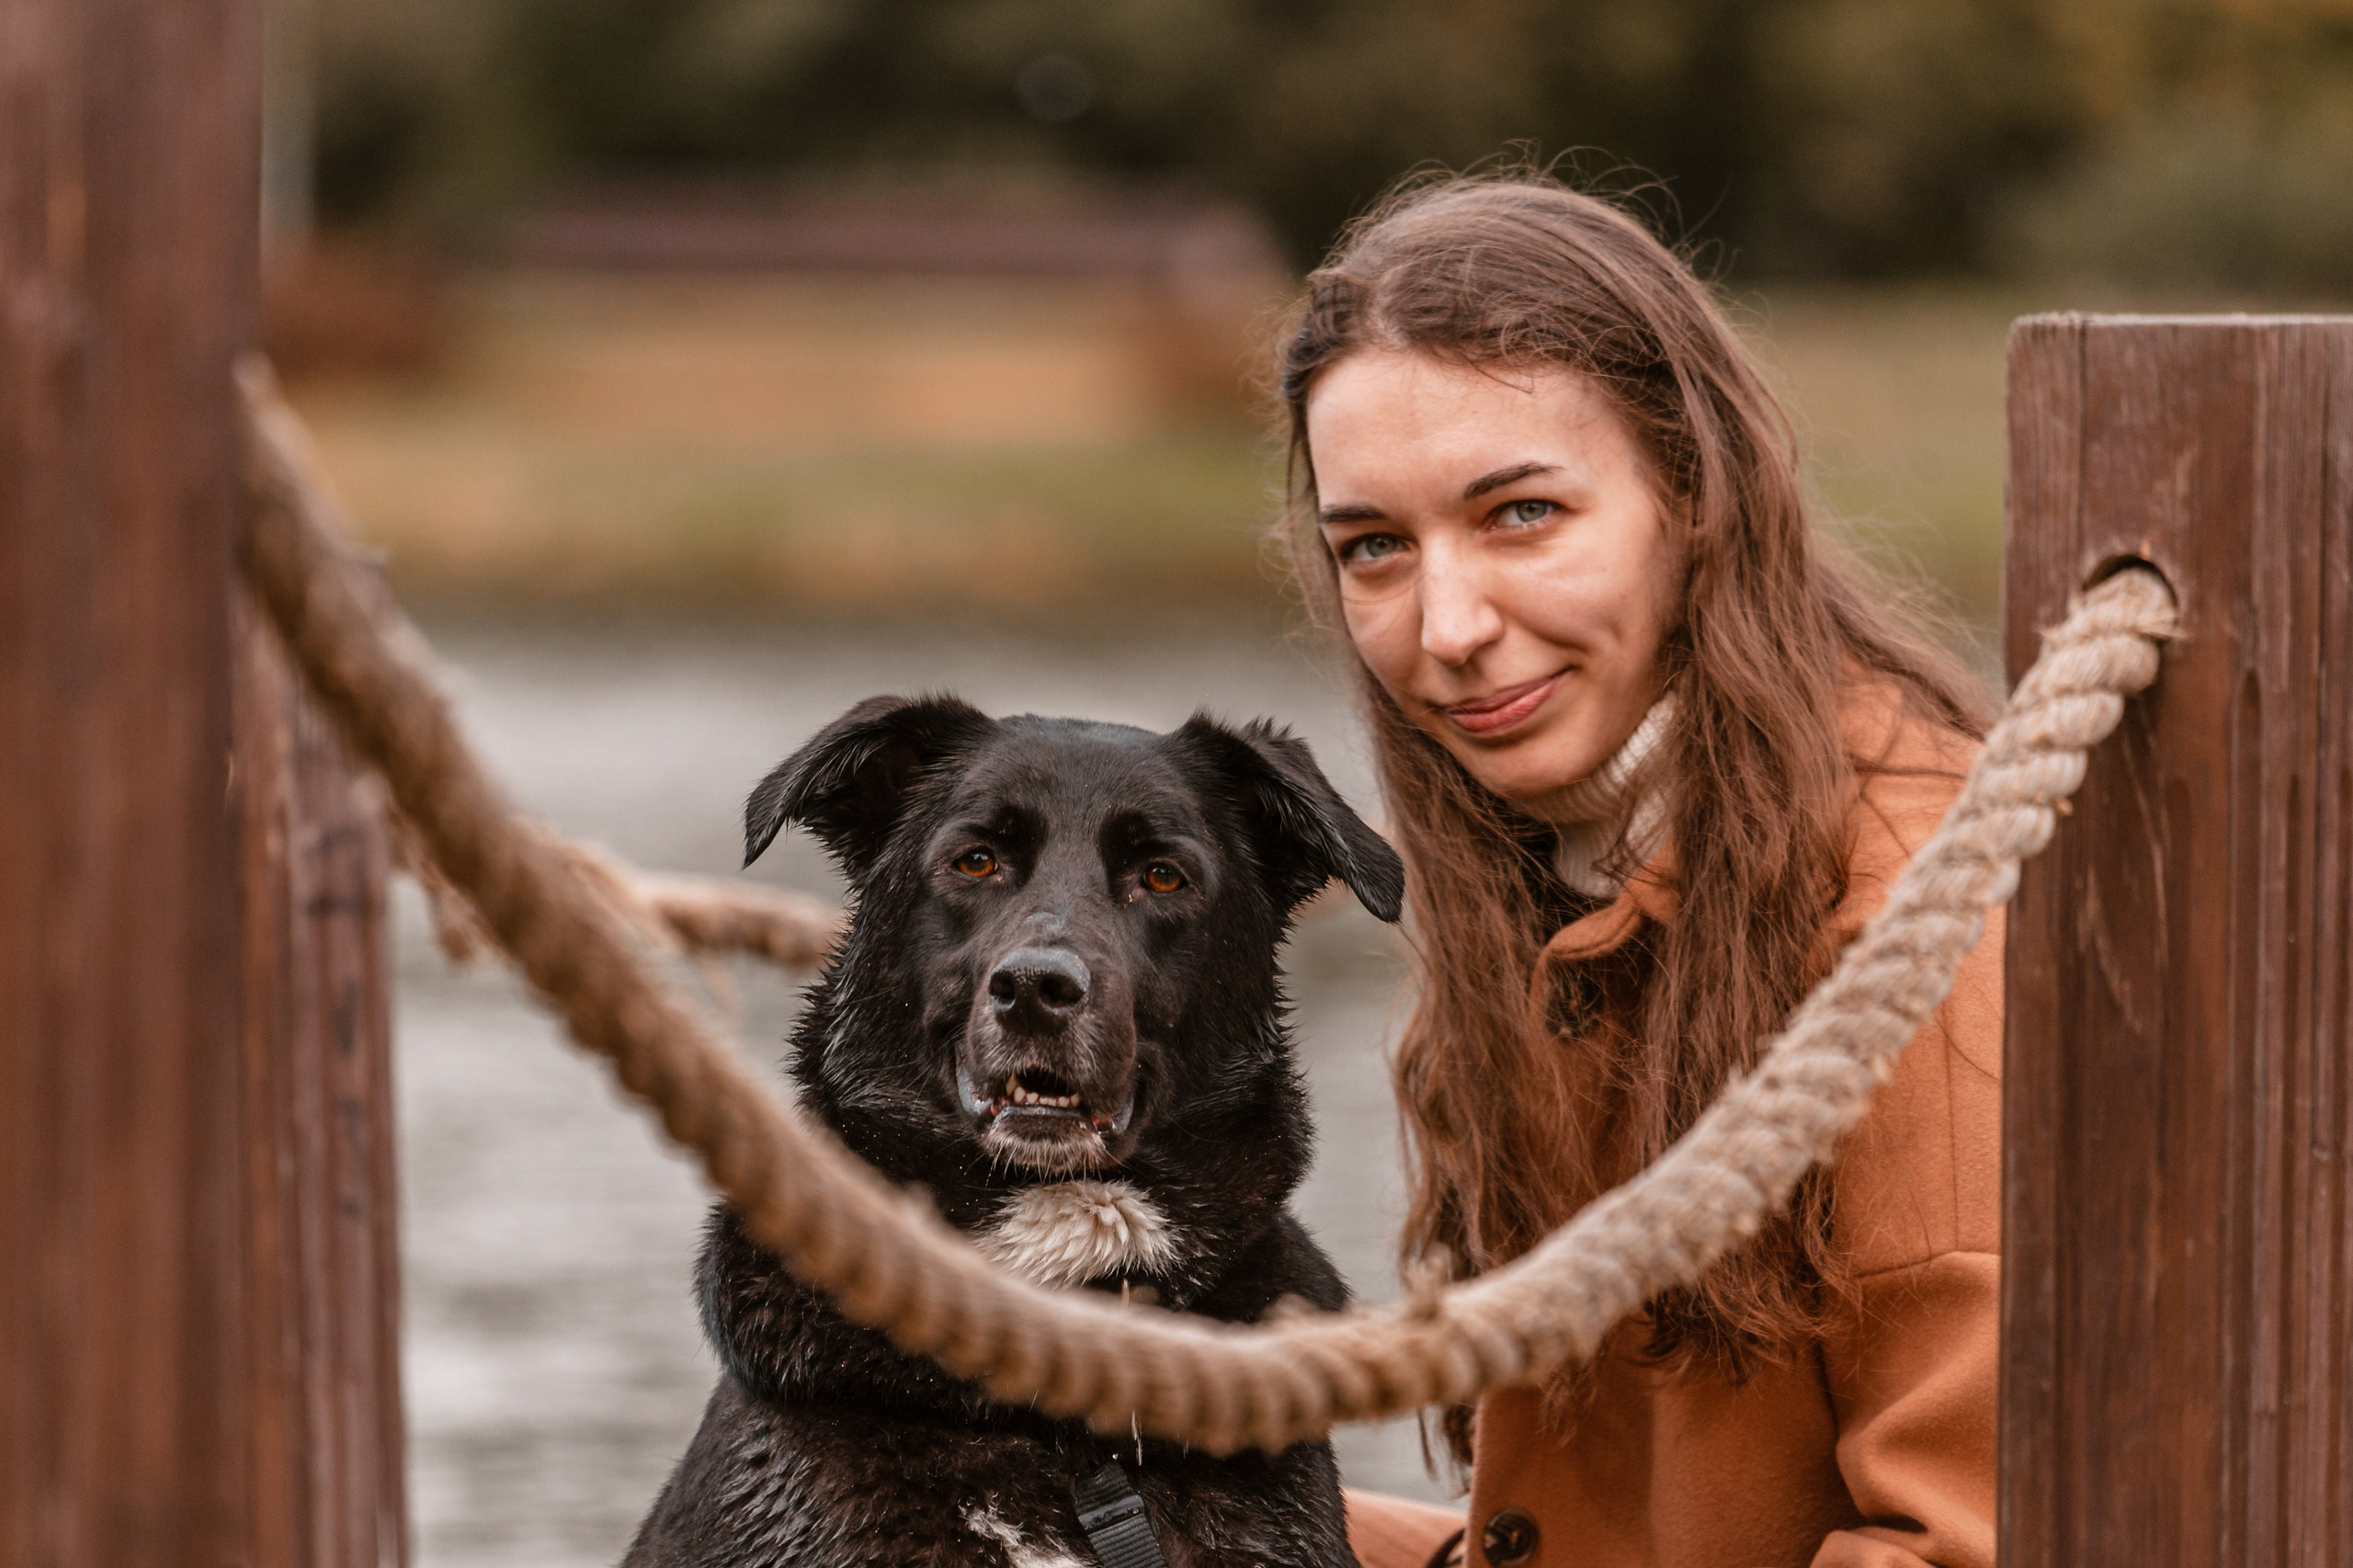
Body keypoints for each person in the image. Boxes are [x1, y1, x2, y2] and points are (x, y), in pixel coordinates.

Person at [1276, 173, 2003, 1568]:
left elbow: (1968, 1544)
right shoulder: (1566, 888)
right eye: (1375, 546)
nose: (1447, 623)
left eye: (1521, 514)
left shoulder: (1921, 919)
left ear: (1696, 492)